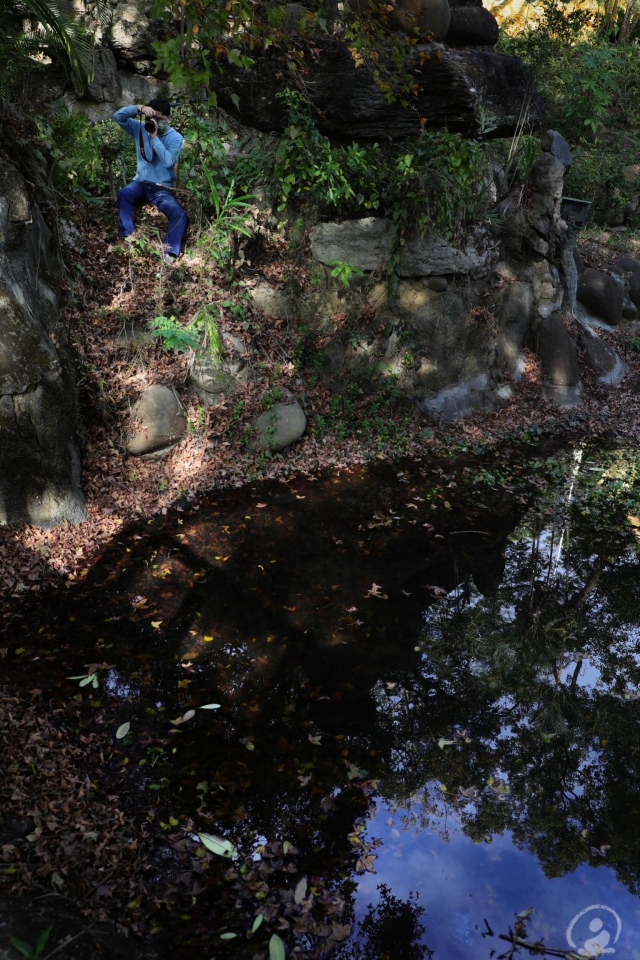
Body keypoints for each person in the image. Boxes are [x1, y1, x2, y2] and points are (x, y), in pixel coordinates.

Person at [113, 98, 186, 262]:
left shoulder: (175, 138)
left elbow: (168, 161)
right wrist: (139, 108)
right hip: (140, 182)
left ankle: (169, 252)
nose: (153, 122)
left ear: (168, 118)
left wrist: (154, 138)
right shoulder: (140, 128)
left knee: (179, 215)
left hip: (161, 187)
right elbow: (118, 116)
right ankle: (128, 238)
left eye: (158, 118)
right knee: (124, 193)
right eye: (151, 118)